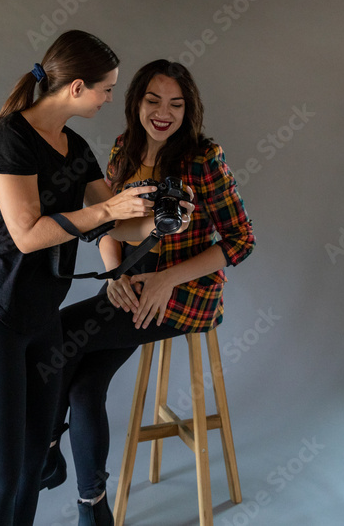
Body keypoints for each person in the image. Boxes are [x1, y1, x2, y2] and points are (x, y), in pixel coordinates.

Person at [0, 32, 192, 526]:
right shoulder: (10, 136)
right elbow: (26, 234)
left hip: (42, 323)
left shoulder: (76, 147)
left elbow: (114, 224)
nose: (109, 99)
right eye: (106, 90)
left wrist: (160, 219)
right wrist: (109, 207)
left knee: (31, 468)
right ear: (77, 87)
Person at [41, 59, 256, 526]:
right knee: (83, 384)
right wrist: (116, 275)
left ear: (189, 110)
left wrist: (165, 278)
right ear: (136, 101)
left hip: (184, 294)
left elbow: (241, 240)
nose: (164, 113)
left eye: (176, 104)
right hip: (133, 287)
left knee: (55, 334)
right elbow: (109, 223)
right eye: (153, 100)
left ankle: (45, 449)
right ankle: (93, 507)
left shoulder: (204, 157)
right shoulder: (124, 150)